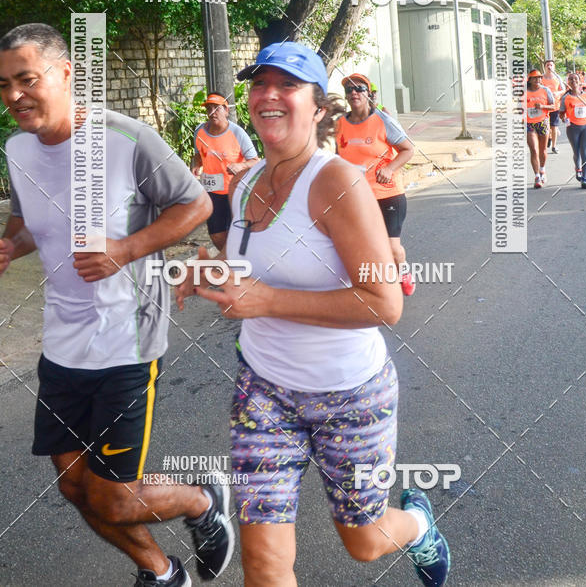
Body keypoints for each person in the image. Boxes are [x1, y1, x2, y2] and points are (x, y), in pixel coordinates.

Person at [176, 41, 450, 587]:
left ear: (318, 106)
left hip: (350, 395)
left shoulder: (337, 182)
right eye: (260, 84)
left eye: (288, 86)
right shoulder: (246, 179)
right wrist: (209, 265)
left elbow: (384, 303)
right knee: (264, 564)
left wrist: (268, 302)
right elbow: (255, 267)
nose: (269, 95)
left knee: (365, 542)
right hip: (264, 392)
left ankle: (418, 525)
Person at [0, 24, 234, 587]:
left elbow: (195, 203)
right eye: (3, 85)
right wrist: (10, 246)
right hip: (62, 342)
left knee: (114, 495)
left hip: (125, 336)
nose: (13, 96)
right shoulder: (15, 149)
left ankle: (202, 500)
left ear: (65, 73)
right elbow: (27, 223)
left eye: (26, 80)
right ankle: (159, 571)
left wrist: (126, 249)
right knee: (74, 486)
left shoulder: (123, 138)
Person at [335, 72, 416, 296]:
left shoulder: (382, 120)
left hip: (388, 194)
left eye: (359, 88)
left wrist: (390, 169)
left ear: (368, 94)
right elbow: (337, 158)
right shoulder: (340, 124)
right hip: (358, 197)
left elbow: (408, 149)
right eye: (349, 89)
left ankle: (403, 271)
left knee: (391, 248)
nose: (353, 93)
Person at [192, 92, 258, 249]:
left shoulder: (237, 133)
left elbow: (255, 160)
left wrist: (240, 166)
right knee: (216, 233)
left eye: (217, 108)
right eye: (209, 109)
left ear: (226, 111)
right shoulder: (199, 132)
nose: (212, 113)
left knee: (239, 231)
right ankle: (230, 259)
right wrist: (196, 165)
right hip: (213, 190)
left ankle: (241, 261)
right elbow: (198, 155)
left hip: (236, 191)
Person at [559, 72, 586, 188]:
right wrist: (563, 118)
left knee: (585, 153)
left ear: (579, 81)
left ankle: (584, 179)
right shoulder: (566, 98)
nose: (573, 81)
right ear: (568, 82)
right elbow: (561, 113)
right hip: (572, 128)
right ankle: (578, 168)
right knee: (576, 152)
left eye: (575, 79)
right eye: (570, 79)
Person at [525, 69, 555, 188]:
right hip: (529, 123)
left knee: (542, 150)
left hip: (543, 122)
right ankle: (537, 176)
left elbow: (553, 106)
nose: (537, 80)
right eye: (534, 78)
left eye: (539, 78)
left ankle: (542, 170)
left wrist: (542, 106)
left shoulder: (545, 90)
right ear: (530, 80)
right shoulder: (524, 92)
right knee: (534, 150)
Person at [540, 59, 565, 154]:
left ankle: (554, 146)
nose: (549, 67)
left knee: (554, 126)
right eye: (547, 65)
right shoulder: (541, 78)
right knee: (545, 127)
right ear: (545, 67)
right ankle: (548, 138)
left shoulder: (557, 78)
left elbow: (563, 90)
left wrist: (558, 93)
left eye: (551, 65)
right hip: (544, 107)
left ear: (554, 67)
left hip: (555, 106)